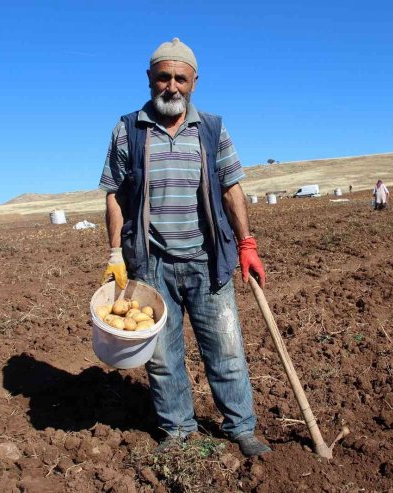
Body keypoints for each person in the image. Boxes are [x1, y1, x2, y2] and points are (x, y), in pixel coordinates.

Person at [98, 38, 271, 457]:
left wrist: (247, 243)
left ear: (194, 82)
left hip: (207, 261)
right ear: (150, 79)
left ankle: (240, 426)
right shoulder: (128, 129)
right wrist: (115, 253)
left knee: (226, 349)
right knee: (162, 357)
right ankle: (178, 432)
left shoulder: (211, 128)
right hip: (152, 264)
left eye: (180, 78)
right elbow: (114, 195)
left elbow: (232, 188)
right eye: (163, 77)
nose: (171, 86)